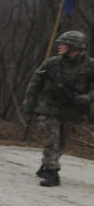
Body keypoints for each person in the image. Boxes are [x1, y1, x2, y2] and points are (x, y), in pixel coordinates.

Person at [23, 30, 94, 187]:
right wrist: (29, 105)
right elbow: (34, 85)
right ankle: (52, 173)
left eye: (64, 44)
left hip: (72, 110)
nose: (60, 47)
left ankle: (46, 165)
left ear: (75, 46)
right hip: (49, 108)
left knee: (62, 141)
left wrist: (88, 97)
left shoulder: (90, 65)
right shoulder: (51, 63)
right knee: (51, 140)